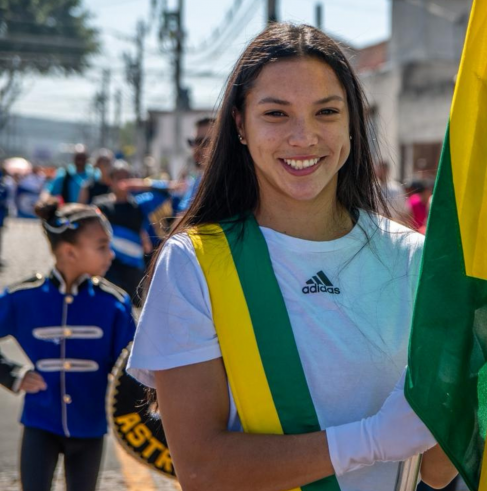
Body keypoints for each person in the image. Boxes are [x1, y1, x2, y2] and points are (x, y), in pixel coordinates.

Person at [126, 23, 456, 491]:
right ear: (240, 125)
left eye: (327, 112)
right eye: (276, 113)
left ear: (352, 124)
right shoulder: (195, 263)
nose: (303, 137)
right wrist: (372, 440)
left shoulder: (414, 259)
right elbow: (202, 471)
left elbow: (438, 470)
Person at [0, 197, 136, 491]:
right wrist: (12, 374)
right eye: (102, 246)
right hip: (40, 420)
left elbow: (131, 366)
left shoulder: (114, 303)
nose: (111, 254)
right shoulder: (23, 297)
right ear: (69, 252)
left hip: (90, 424)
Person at [93, 160, 150, 305]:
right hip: (109, 264)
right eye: (118, 177)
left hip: (132, 265)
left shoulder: (137, 206)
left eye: (126, 177)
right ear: (110, 180)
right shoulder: (101, 206)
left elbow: (141, 231)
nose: (122, 182)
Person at [175, 117, 214, 214]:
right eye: (193, 142)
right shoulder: (200, 179)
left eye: (204, 142)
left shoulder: (223, 183)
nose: (196, 148)